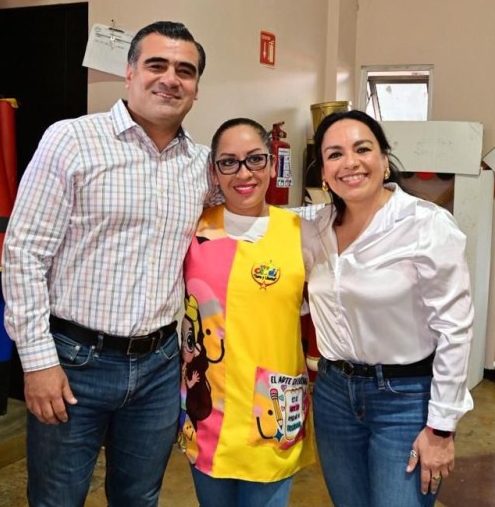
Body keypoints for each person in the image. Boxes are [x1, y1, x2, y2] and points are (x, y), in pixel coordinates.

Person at [2, 21, 213, 507]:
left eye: (185, 71)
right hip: (75, 362)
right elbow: (24, 254)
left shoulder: (202, 166)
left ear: (197, 87)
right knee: (57, 499)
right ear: (130, 72)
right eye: (156, 65)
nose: (170, 79)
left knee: (139, 497)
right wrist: (37, 362)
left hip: (160, 368)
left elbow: (253, 211)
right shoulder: (72, 140)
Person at [302, 110, 474, 507]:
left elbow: (455, 330)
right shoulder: (314, 229)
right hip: (333, 394)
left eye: (362, 149)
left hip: (405, 398)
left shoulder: (426, 224)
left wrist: (441, 429)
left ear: (384, 160)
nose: (350, 162)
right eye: (334, 154)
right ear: (323, 173)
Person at [178, 119, 313, 507]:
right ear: (214, 171)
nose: (244, 173)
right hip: (208, 411)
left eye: (255, 159)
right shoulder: (192, 230)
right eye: (229, 162)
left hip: (271, 412)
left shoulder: (303, 232)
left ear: (271, 163)